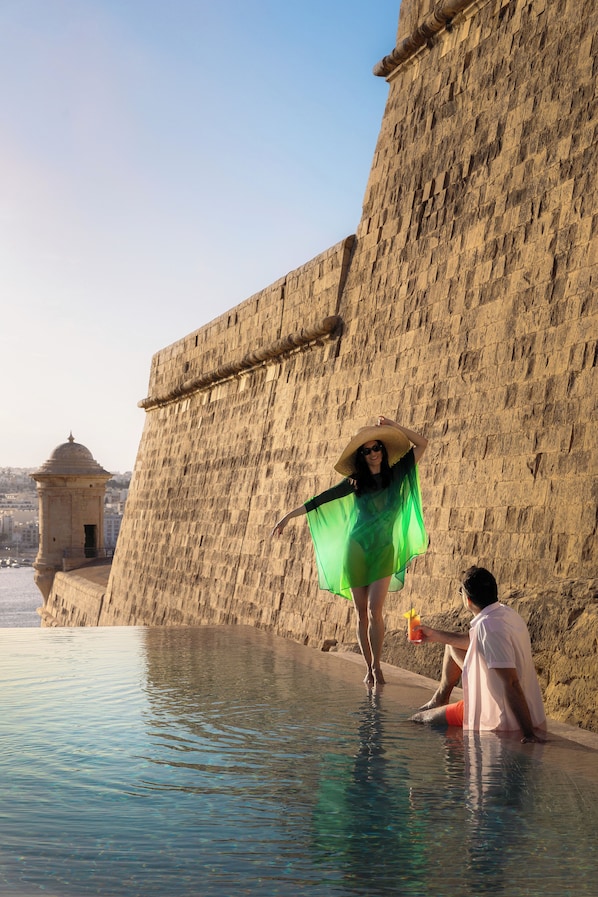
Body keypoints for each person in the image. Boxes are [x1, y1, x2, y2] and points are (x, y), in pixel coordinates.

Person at [272, 416, 428, 686]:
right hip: (355, 548)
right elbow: (319, 500)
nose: (373, 454)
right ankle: (368, 668)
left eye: (376, 447)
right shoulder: (354, 482)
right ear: (361, 455)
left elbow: (423, 444)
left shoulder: (398, 472)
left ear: (383, 448)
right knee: (360, 614)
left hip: (384, 550)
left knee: (374, 609)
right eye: (366, 451)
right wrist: (288, 515)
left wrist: (394, 426)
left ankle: (378, 665)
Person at [410, 566, 547, 743]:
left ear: (467, 600)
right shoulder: (505, 613)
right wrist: (434, 635)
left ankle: (453, 762)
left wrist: (529, 734)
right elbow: (471, 642)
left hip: (499, 717)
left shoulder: (488, 627)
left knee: (418, 719)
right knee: (451, 645)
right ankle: (440, 700)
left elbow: (511, 683)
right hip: (513, 710)